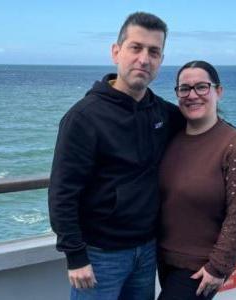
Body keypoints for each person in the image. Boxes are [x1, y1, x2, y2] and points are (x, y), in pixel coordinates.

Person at [48, 12, 184, 300]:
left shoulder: (161, 112)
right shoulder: (84, 117)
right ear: (116, 52)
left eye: (154, 52)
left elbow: (200, 122)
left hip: (147, 249)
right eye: (136, 48)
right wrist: (75, 256)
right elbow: (62, 192)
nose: (144, 59)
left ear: (160, 60)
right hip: (99, 255)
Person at [157, 61, 236, 300]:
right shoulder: (170, 138)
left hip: (201, 268)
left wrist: (219, 267)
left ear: (218, 91)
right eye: (185, 89)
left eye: (202, 87)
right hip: (164, 258)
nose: (192, 95)